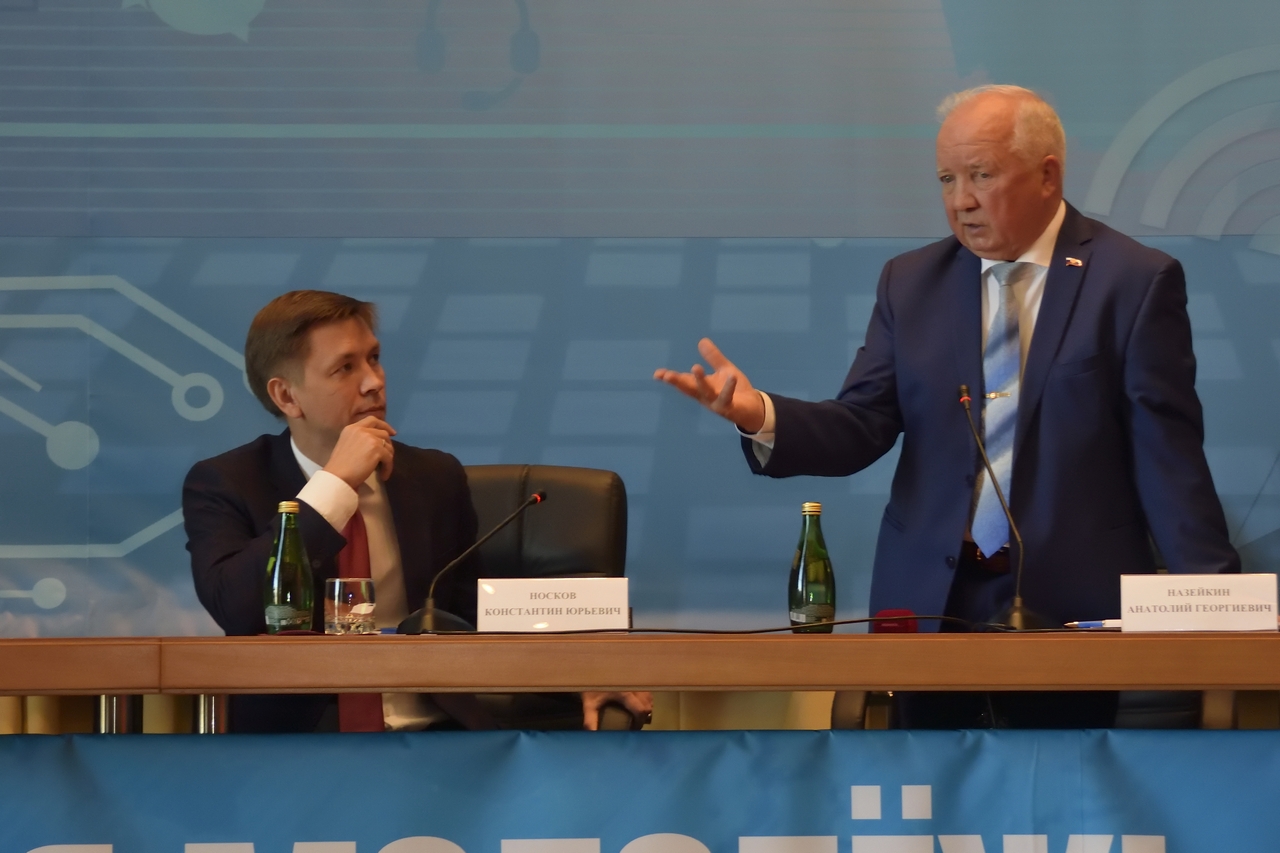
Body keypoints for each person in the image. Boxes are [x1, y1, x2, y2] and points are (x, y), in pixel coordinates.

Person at [655, 85, 1240, 728]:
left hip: (1069, 606)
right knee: (927, 786)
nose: (960, 200)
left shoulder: (1132, 280)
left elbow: (1168, 460)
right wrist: (759, 414)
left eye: (981, 175)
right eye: (946, 179)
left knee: (1054, 786)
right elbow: (862, 424)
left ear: (1048, 175)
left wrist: (1219, 607)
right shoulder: (911, 283)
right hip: (930, 603)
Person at [184, 289, 651, 732]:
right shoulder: (227, 482)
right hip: (295, 748)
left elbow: (471, 617)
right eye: (345, 368)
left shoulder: (432, 477)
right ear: (287, 396)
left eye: (374, 358)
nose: (374, 381)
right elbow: (236, 607)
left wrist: (577, 671)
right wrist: (335, 485)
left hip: (433, 736)